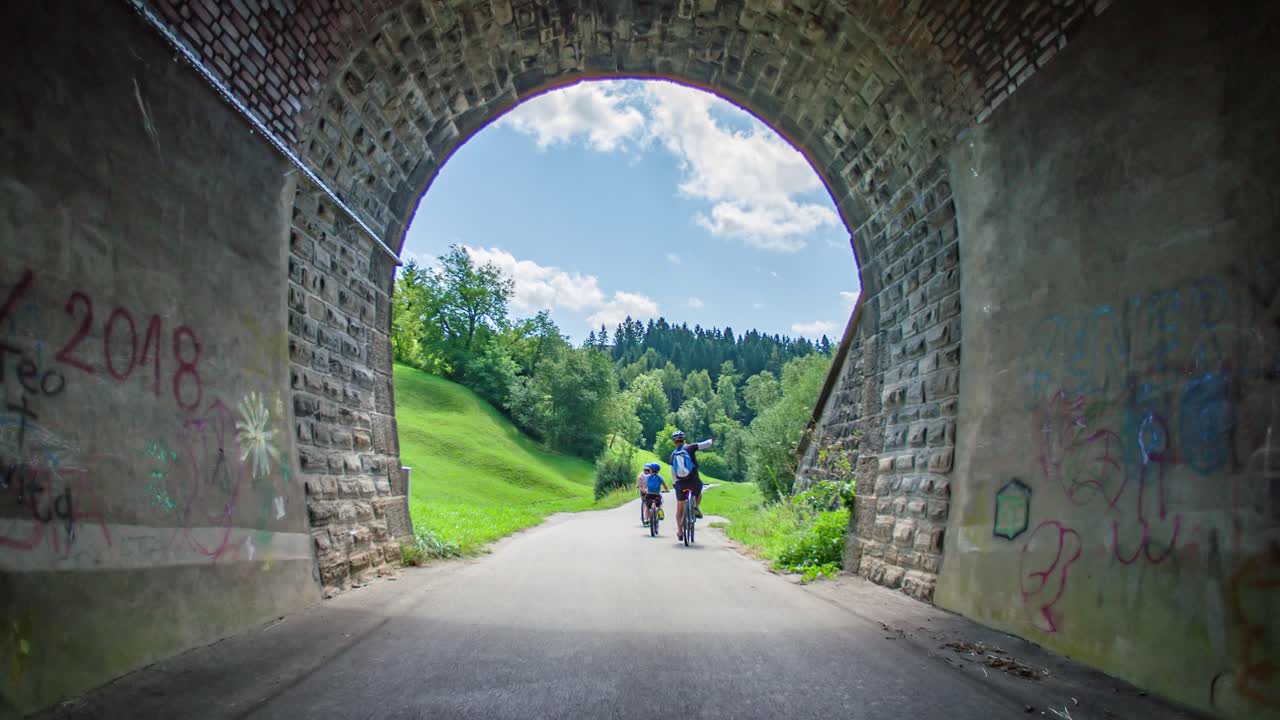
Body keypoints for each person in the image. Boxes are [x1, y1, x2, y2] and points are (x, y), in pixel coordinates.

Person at [668, 430, 713, 541]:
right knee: (699, 492)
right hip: (693, 481)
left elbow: (673, 473)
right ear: (684, 439)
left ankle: (680, 532)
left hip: (681, 484)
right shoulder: (691, 447)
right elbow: (707, 444)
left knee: (679, 509)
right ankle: (695, 506)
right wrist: (712, 439)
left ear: (674, 442)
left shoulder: (673, 455)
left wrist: (676, 485)